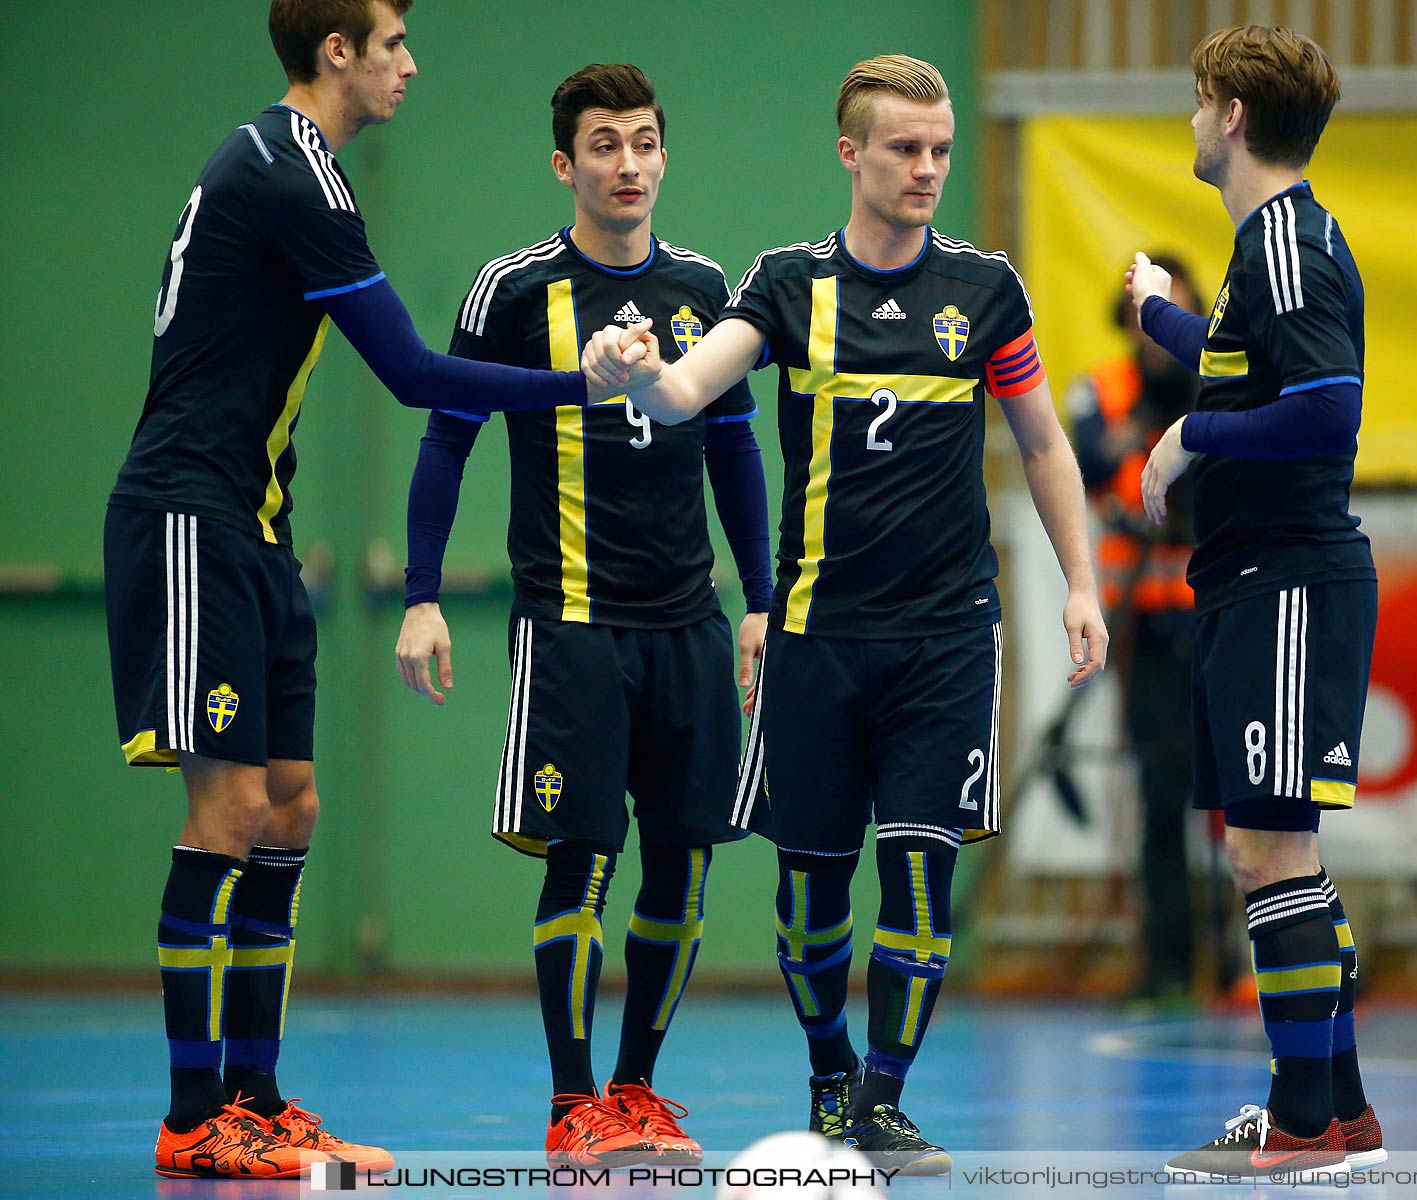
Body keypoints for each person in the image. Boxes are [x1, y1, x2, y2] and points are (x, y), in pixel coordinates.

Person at [105, 1, 616, 1179]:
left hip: (255, 524)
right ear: (338, 51)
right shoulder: (292, 173)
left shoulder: (304, 167)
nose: (410, 65)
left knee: (291, 808)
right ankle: (195, 1118)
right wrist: (584, 386)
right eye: (394, 44)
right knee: (227, 816)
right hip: (191, 515)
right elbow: (411, 374)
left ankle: (260, 1096)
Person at [583, 54, 1107, 1175]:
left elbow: (1044, 443)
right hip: (816, 640)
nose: (926, 169)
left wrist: (1081, 582)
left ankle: (882, 1097)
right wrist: (628, 368)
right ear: (852, 154)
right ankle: (828, 1074)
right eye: (905, 149)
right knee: (811, 884)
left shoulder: (985, 289)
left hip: (948, 638)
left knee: (919, 870)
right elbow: (686, 391)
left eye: (940, 151)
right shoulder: (784, 284)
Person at [392, 63, 770, 1165]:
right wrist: (421, 598)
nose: (629, 164)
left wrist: (757, 602)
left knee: (687, 858)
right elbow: (445, 443)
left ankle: (637, 1091)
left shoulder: (705, 289)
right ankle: (573, 1107)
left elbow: (739, 450)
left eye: (645, 142)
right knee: (586, 854)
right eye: (604, 145)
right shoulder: (512, 292)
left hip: (690, 624)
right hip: (568, 624)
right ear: (567, 165)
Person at [1129, 25, 1385, 1178]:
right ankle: (1336, 1112)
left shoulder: (1286, 243)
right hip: (1251, 583)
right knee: (1279, 855)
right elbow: (1247, 361)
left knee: (1268, 855)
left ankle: (1297, 1127)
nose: (1191, 118)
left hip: (1288, 580)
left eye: (1197, 101)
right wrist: (1160, 322)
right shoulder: (1264, 247)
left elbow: (1328, 411)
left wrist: (1190, 434)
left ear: (1232, 115)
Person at [1069, 254, 1203, 1008]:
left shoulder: (1222, 379)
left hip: (1214, 615)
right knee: (1159, 796)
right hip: (1145, 625)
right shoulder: (1105, 386)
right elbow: (1084, 455)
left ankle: (1241, 961)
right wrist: (1142, 432)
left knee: (1243, 804)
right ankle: (1168, 961)